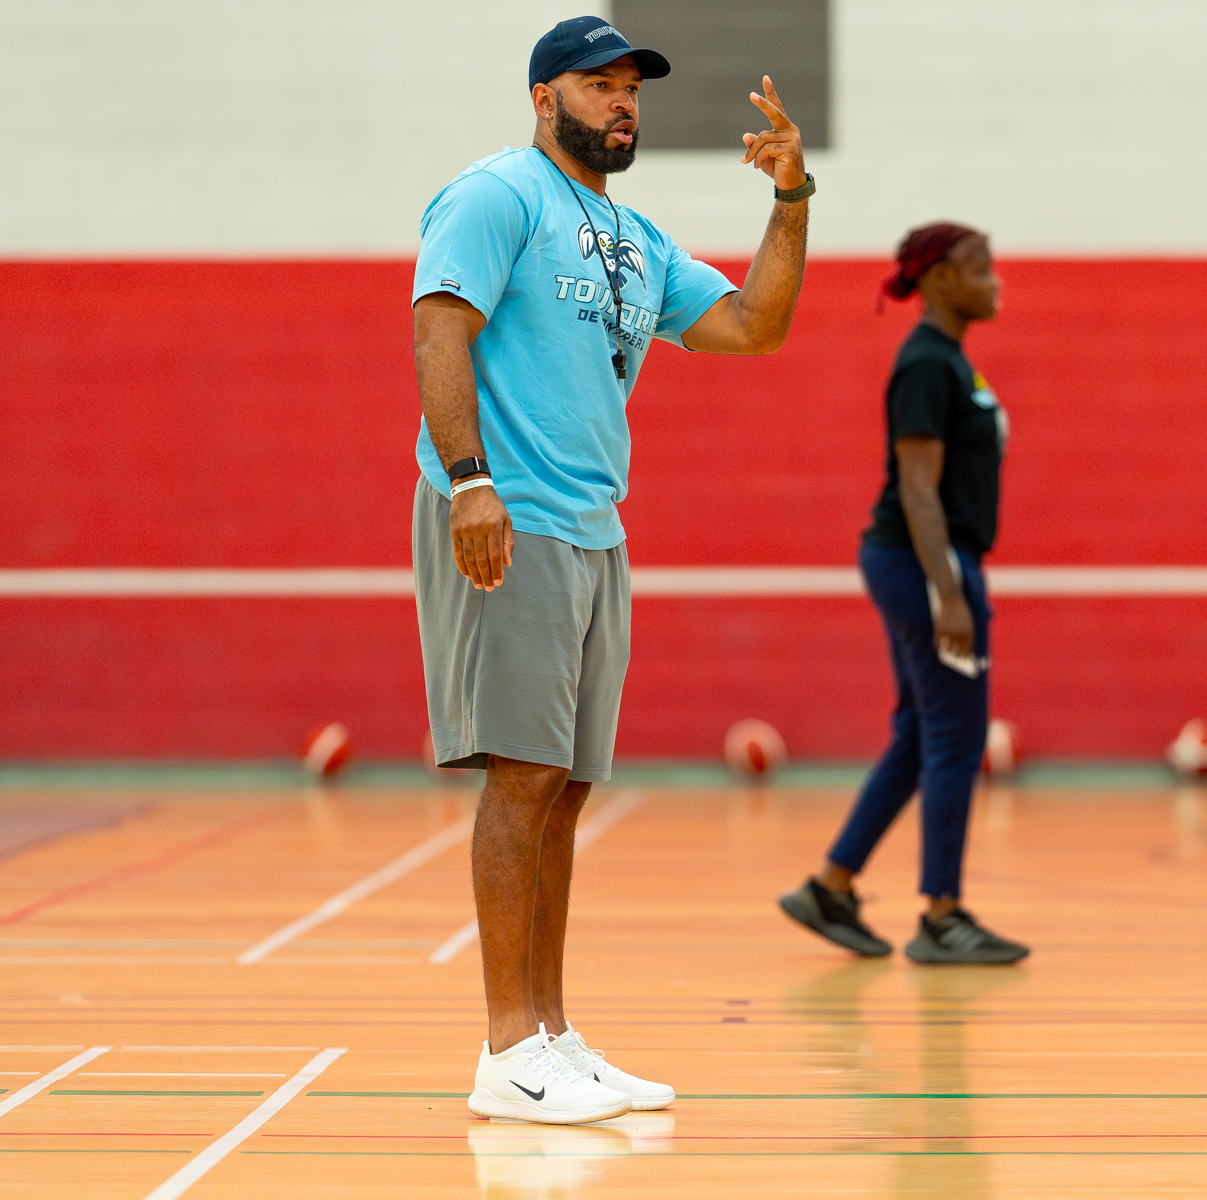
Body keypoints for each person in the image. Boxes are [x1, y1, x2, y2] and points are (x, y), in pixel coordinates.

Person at [412, 16, 812, 1124]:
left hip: (596, 528)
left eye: (633, 87)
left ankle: (551, 1034)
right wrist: (470, 482)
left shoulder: (633, 238)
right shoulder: (497, 199)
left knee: (568, 788)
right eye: (601, 84)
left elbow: (752, 327)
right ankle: (505, 1049)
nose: (623, 103)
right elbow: (439, 334)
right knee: (523, 776)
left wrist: (790, 200)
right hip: (512, 511)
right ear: (545, 97)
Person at [777, 224, 1029, 965]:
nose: (996, 282)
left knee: (923, 733)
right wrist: (948, 592)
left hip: (923, 561)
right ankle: (942, 915)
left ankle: (830, 887)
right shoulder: (925, 364)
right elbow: (917, 491)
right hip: (925, 561)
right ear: (943, 278)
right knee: (956, 735)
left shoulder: (951, 364)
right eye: (982, 269)